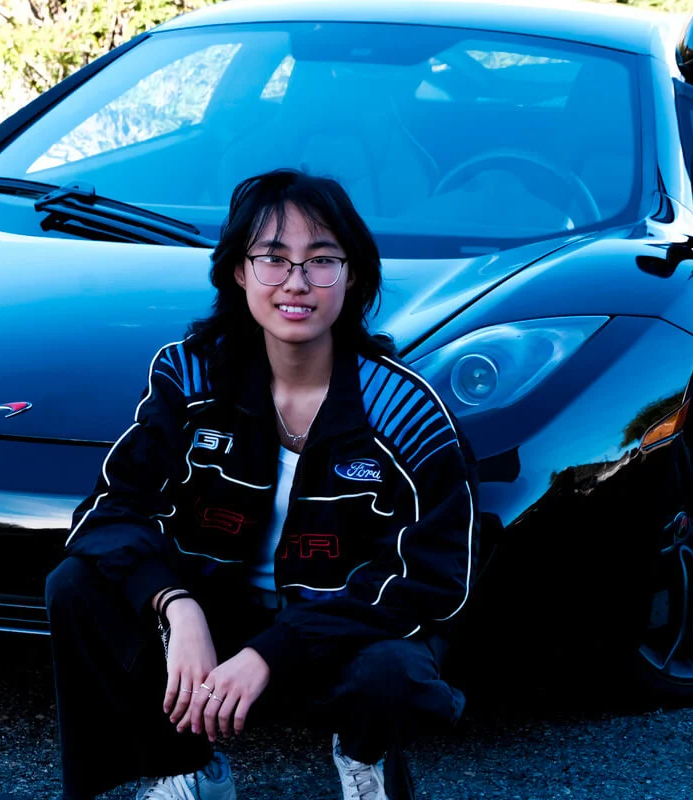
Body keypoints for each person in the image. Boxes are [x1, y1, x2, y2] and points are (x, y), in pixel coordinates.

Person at [45, 169, 477, 800]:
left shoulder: (404, 410)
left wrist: (276, 650)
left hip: (339, 631)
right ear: (238, 273)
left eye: (321, 260)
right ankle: (187, 767)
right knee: (77, 584)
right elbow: (109, 512)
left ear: (352, 275)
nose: (296, 283)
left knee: (394, 672)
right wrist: (176, 606)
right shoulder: (190, 375)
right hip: (220, 611)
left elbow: (435, 580)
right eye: (273, 259)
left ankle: (364, 756)